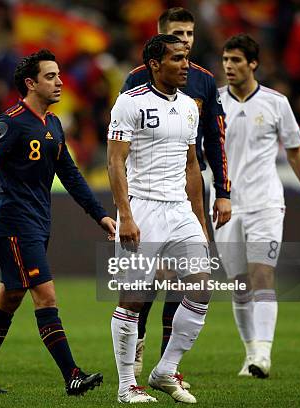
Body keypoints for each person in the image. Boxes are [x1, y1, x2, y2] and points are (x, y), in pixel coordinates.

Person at [0, 49, 116, 395]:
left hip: (39, 222)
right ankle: (72, 374)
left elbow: (71, 175)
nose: (60, 82)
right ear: (30, 83)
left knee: (10, 297)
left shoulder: (54, 125)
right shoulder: (9, 123)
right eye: (50, 76)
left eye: (59, 75)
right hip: (15, 224)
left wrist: (100, 213)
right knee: (45, 296)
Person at [121, 6, 231, 383]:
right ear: (160, 35)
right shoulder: (134, 84)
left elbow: (213, 141)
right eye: (178, 35)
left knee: (188, 280)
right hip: (147, 191)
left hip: (188, 186)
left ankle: (169, 365)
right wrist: (127, 208)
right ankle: (136, 346)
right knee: (147, 283)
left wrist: (223, 192)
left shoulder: (201, 83)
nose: (185, 42)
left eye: (190, 35)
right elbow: (122, 149)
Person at [216, 33, 300, 378]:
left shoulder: (277, 103)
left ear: (253, 64)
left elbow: (295, 154)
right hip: (225, 206)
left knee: (262, 274)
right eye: (225, 60)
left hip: (265, 202)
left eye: (236, 60)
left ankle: (263, 354)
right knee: (239, 284)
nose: (229, 66)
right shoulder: (213, 104)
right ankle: (250, 354)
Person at [108, 34, 211, 404]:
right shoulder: (130, 103)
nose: (185, 65)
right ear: (155, 64)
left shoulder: (188, 107)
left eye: (186, 58)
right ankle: (125, 387)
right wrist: (126, 215)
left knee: (200, 288)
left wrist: (199, 221)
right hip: (143, 207)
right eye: (177, 58)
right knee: (134, 299)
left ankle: (165, 371)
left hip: (179, 209)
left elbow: (192, 165)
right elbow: (115, 160)